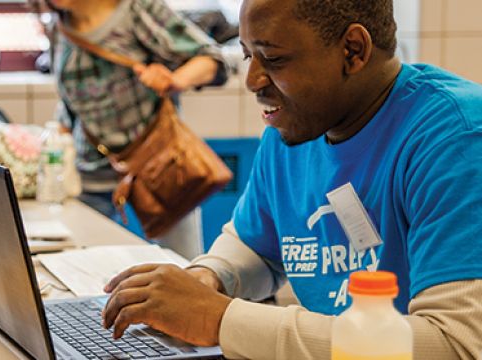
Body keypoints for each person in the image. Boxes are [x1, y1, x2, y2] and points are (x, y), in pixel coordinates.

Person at [101, 0, 482, 358]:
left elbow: (454, 344)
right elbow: (258, 246)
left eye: (274, 59)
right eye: (248, 55)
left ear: (353, 50)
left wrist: (220, 319)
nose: (251, 80)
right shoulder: (295, 129)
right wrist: (210, 277)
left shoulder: (455, 140)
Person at [47, 0, 227, 245]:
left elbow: (211, 59)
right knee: (78, 267)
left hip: (158, 166)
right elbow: (69, 103)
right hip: (91, 173)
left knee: (181, 269)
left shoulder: (136, 9)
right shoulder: (60, 28)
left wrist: (174, 80)